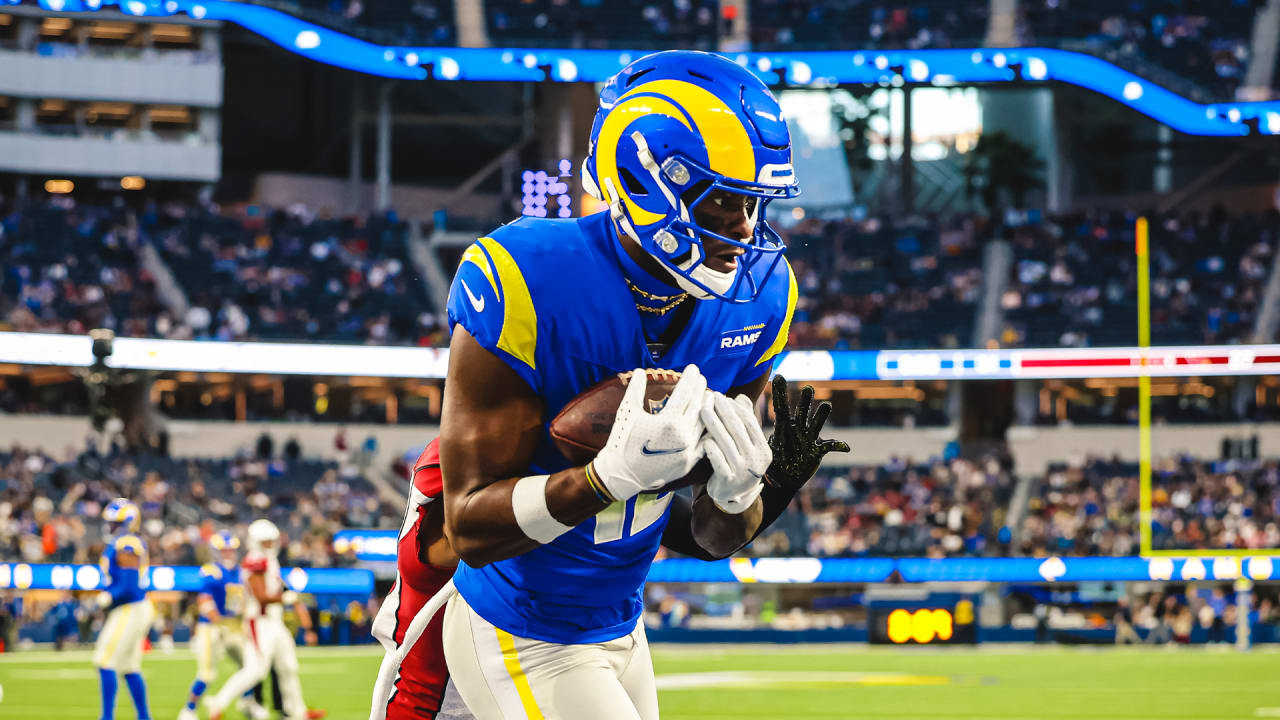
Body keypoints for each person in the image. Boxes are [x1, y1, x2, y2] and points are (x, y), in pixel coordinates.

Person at [436, 50, 848, 720]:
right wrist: (602, 479)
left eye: (753, 205)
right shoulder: (530, 277)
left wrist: (745, 490)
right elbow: (470, 529)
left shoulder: (759, 302)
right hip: (521, 624)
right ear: (644, 180)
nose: (745, 233)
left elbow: (710, 539)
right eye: (721, 203)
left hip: (622, 629)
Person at [371, 379, 842, 720]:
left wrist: (765, 486)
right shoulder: (462, 453)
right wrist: (592, 485)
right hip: (437, 683)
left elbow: (701, 540)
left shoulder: (592, 445)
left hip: (588, 638)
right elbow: (434, 553)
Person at [204, 519, 326, 720]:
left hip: (275, 622)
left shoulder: (270, 561)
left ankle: (297, 712)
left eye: (271, 541)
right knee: (256, 670)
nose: (270, 545)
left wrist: (290, 595)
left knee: (288, 666)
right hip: (259, 622)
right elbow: (261, 596)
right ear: (255, 542)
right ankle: (218, 703)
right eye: (265, 541)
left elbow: (277, 587)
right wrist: (286, 597)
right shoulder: (254, 561)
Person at [179, 530, 269, 720]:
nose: (228, 554)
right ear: (216, 552)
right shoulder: (212, 570)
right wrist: (217, 619)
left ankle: (247, 702)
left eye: (231, 550)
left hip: (235, 626)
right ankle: (189, 709)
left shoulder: (240, 572)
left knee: (249, 667)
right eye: (224, 550)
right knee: (206, 674)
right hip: (212, 627)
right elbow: (205, 600)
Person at [94, 499, 156, 720]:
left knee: (104, 660)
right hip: (133, 607)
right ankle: (144, 717)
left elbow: (129, 584)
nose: (110, 526)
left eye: (114, 522)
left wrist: (107, 597)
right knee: (129, 667)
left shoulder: (127, 542)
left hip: (131, 606)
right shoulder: (123, 541)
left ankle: (107, 717)